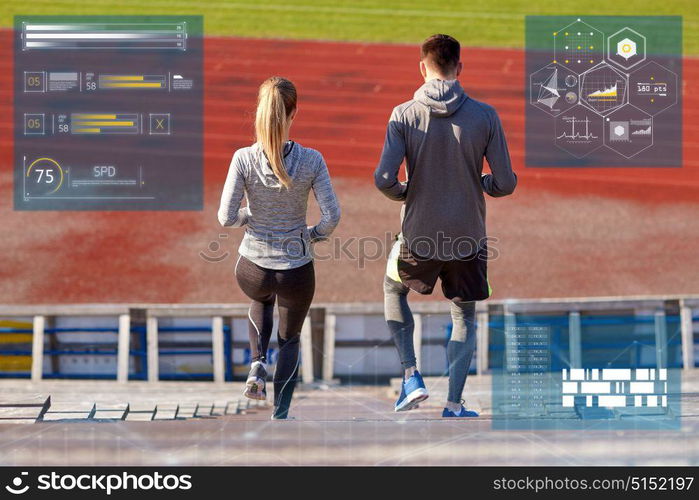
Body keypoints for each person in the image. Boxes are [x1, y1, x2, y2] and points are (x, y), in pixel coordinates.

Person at [374, 34, 517, 417]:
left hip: (419, 234)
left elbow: (384, 178)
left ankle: (411, 376)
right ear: (460, 67)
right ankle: (454, 404)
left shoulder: (403, 114)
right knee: (463, 314)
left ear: (422, 68)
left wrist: (409, 193)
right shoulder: (485, 115)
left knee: (393, 289)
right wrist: (477, 182)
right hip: (468, 238)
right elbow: (505, 183)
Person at [218, 76, 341, 420]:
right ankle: (281, 412)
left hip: (252, 268)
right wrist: (311, 235)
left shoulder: (243, 158)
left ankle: (257, 364)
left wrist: (250, 215)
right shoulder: (312, 159)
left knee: (260, 299)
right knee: (290, 339)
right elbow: (332, 216)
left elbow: (226, 217)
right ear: (293, 113)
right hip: (296, 270)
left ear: (259, 111)